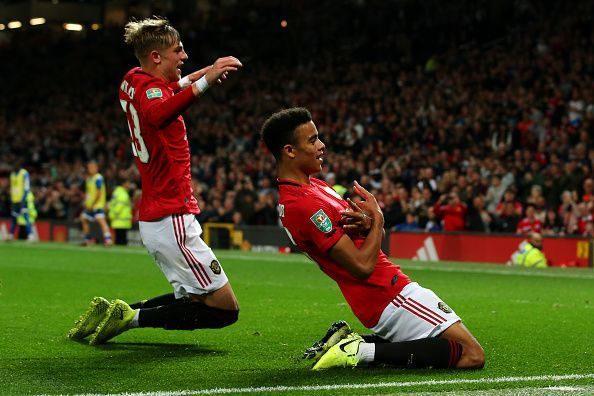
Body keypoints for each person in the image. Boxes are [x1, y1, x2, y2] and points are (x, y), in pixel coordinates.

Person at [261, 107, 484, 370]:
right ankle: (358, 350)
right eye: (312, 140)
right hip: (385, 294)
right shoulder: (303, 204)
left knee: (455, 349)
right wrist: (377, 219)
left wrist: (370, 224)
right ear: (289, 151)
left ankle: (351, 342)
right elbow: (362, 266)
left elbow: (371, 239)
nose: (321, 145)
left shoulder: (316, 187)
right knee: (471, 355)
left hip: (386, 290)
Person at [68, 16, 242, 345]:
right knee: (224, 309)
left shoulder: (133, 79)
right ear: (157, 57)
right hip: (171, 215)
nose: (184, 56)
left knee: (193, 299)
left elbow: (165, 91)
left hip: (157, 218)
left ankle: (117, 313)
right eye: (178, 50)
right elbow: (159, 113)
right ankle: (129, 317)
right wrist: (203, 84)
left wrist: (205, 73)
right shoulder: (152, 93)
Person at [80, 161, 113, 246]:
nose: (90, 169)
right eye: (89, 167)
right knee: (83, 218)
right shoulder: (89, 179)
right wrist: (86, 202)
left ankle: (108, 240)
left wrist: (93, 203)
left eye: (92, 167)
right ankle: (87, 240)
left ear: (96, 168)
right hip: (90, 205)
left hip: (97, 204)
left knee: (101, 221)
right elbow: (89, 193)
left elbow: (99, 191)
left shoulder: (98, 177)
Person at [9, 164, 34, 241]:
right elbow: (12, 187)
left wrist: (24, 198)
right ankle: (10, 235)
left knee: (26, 217)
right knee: (14, 219)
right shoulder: (12, 175)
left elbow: (27, 187)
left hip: (22, 200)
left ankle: (30, 235)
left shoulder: (24, 173)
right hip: (14, 200)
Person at [108, 179, 133, 245]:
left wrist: (111, 215)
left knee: (117, 240)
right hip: (121, 221)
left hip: (116, 220)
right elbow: (119, 207)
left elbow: (113, 205)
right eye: (128, 183)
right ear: (124, 184)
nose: (129, 185)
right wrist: (112, 215)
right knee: (122, 241)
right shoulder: (123, 194)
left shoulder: (116, 192)